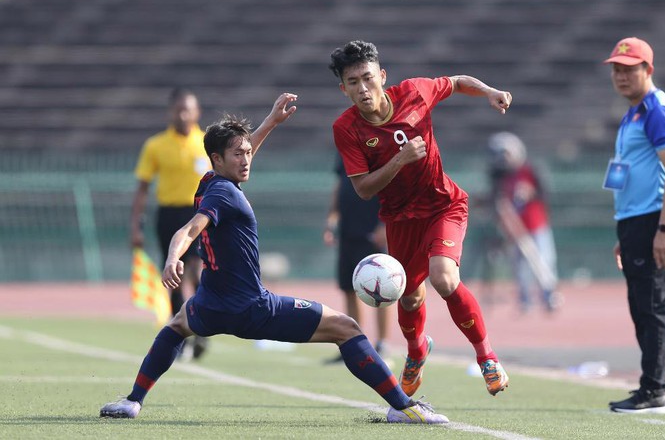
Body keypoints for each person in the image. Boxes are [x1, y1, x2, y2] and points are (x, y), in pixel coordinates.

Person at [100, 94, 449, 424]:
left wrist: (269, 122)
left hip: (210, 303)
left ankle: (133, 401)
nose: (246, 159)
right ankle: (404, 407)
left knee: (175, 328)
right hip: (254, 308)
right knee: (347, 329)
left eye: (248, 153)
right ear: (219, 159)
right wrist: (173, 257)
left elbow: (237, 155)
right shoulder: (223, 192)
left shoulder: (210, 181)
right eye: (238, 155)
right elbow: (189, 229)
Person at [329, 40, 511, 398]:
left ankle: (487, 357)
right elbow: (364, 189)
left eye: (368, 78)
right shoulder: (346, 128)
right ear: (344, 89)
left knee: (444, 279)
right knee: (409, 298)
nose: (363, 89)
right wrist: (399, 159)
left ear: (382, 76)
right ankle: (416, 352)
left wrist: (489, 91)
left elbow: (457, 81)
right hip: (399, 217)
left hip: (443, 204)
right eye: (353, 82)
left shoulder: (415, 91)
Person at [602, 37, 665, 414]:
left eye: (629, 69)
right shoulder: (633, 112)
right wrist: (625, 229)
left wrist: (664, 229)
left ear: (648, 70)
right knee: (641, 305)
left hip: (655, 219)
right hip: (635, 221)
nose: (621, 76)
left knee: (652, 306)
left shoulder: (657, 110)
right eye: (617, 69)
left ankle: (654, 390)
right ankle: (651, 386)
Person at [130, 87, 209, 360]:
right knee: (173, 275)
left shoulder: (208, 142)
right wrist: (135, 226)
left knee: (199, 274)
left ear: (197, 112)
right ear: (171, 112)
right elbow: (142, 188)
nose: (184, 115)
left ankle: (203, 328)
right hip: (169, 214)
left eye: (188, 109)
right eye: (179, 110)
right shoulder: (156, 145)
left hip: (199, 213)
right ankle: (181, 335)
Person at [323, 154, 391, 363]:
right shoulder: (344, 145)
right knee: (349, 288)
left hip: (372, 230)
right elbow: (340, 183)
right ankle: (357, 344)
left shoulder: (379, 146)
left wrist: (385, 224)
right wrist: (332, 218)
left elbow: (389, 186)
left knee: (383, 289)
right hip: (348, 230)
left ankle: (382, 345)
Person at [486, 132, 559, 314]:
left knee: (543, 260)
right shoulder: (499, 177)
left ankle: (548, 295)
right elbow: (497, 201)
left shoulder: (530, 170)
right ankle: (524, 299)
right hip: (513, 228)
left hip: (536, 225)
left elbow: (544, 193)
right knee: (518, 265)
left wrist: (530, 193)